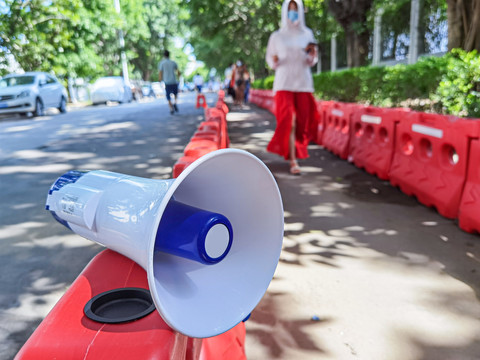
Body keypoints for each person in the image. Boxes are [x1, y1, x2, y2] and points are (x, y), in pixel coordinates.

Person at [265, 0, 318, 175]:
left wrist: (311, 56)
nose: (293, 12)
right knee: (289, 120)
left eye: (296, 9)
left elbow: (312, 61)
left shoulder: (308, 34)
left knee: (302, 122)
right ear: (284, 11)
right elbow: (270, 60)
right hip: (283, 83)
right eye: (290, 9)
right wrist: (274, 61)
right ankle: (293, 161)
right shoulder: (277, 36)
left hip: (303, 83)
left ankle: (293, 151)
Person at [158, 50, 181, 115]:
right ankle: (175, 103)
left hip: (167, 82)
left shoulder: (162, 63)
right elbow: (178, 72)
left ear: (164, 55)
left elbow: (160, 73)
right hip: (174, 81)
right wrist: (179, 78)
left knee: (168, 97)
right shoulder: (173, 62)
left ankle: (171, 108)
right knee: (175, 94)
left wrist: (160, 80)